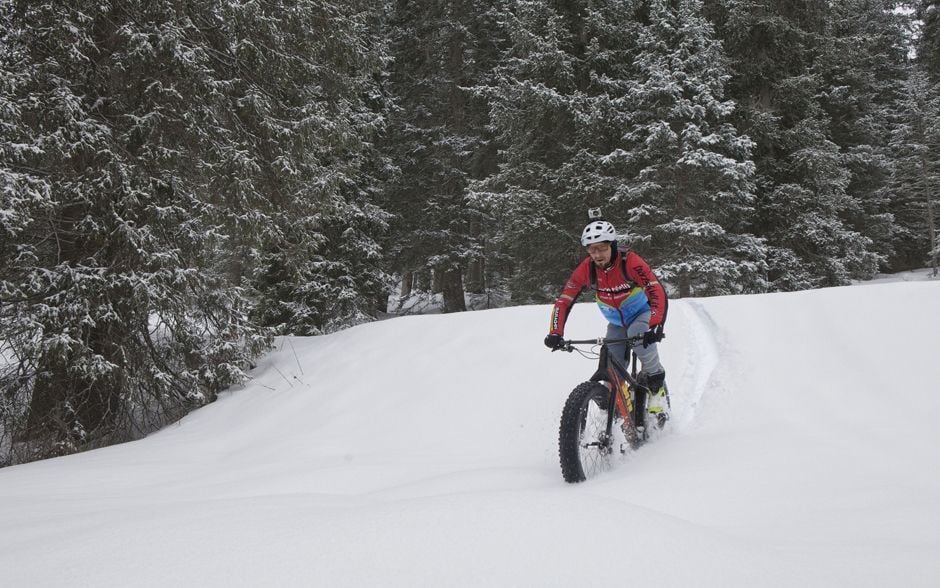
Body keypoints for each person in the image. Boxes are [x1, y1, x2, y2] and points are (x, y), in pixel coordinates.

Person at [544, 219, 670, 428]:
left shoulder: (630, 262)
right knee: (613, 364)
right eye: (592, 250)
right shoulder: (587, 269)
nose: (598, 255)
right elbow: (564, 300)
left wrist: (656, 325)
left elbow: (656, 290)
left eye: (602, 248)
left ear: (612, 245)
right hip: (616, 322)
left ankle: (657, 385)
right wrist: (555, 332)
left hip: (641, 313)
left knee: (640, 338)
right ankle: (619, 406)